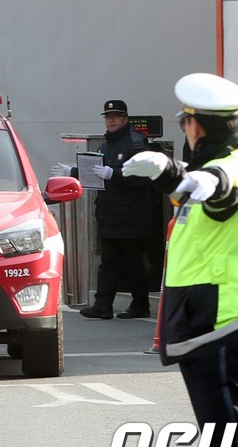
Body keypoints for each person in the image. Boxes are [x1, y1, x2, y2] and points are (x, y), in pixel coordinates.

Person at [121, 72, 238, 447]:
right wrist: (169, 174)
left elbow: (220, 187)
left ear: (197, 125)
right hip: (223, 323)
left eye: (184, 123)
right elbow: (194, 189)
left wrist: (189, 176)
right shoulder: (228, 162)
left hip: (223, 324)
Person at [50, 99, 158, 320]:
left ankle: (140, 305)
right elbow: (95, 172)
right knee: (108, 262)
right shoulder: (105, 145)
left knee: (133, 262)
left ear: (125, 119)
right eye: (108, 117)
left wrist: (114, 174)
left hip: (131, 215)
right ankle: (103, 305)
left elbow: (142, 178)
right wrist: (73, 171)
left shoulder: (135, 142)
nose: (111, 120)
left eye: (116, 116)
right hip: (109, 213)